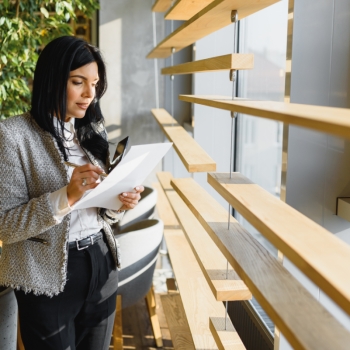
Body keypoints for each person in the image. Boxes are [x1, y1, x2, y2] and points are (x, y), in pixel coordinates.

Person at [0, 36, 144, 350]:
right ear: (52, 80)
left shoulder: (90, 132)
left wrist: (121, 201)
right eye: (78, 82)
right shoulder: (12, 135)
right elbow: (5, 226)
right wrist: (66, 195)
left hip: (101, 262)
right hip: (45, 274)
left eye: (95, 83)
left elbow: (99, 208)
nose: (90, 94)